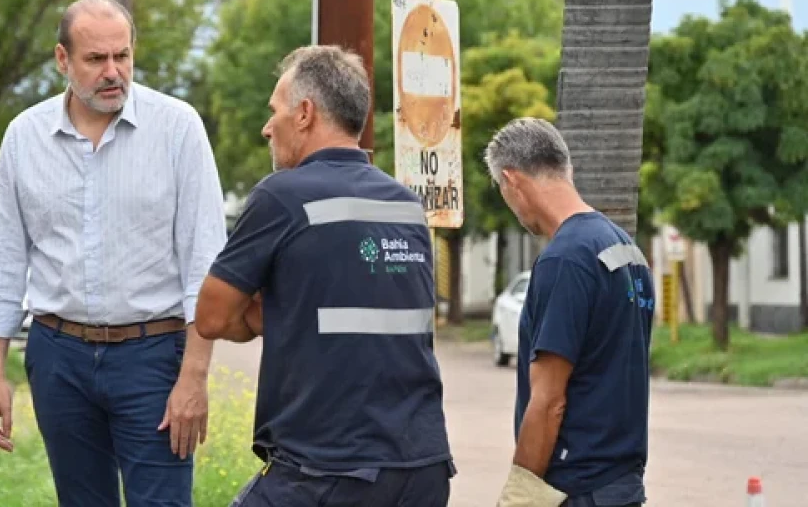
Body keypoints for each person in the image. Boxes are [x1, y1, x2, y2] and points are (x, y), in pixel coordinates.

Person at [0, 0, 227, 507]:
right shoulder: (24, 136)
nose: (114, 72)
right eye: (96, 59)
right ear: (63, 59)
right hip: (57, 355)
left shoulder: (177, 128)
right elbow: (1, 260)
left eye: (123, 56)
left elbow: (207, 263)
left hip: (153, 356)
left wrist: (194, 377)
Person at [194, 45, 455, 507]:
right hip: (422, 468)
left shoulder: (282, 196)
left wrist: (265, 312)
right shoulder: (407, 206)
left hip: (326, 470)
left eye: (274, 111)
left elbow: (212, 318)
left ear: (305, 113)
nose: (266, 127)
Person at [484, 118, 653, 507]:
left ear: (512, 181)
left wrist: (520, 496)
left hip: (577, 489)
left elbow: (549, 401)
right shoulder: (625, 248)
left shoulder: (564, 259)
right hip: (622, 485)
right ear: (566, 170)